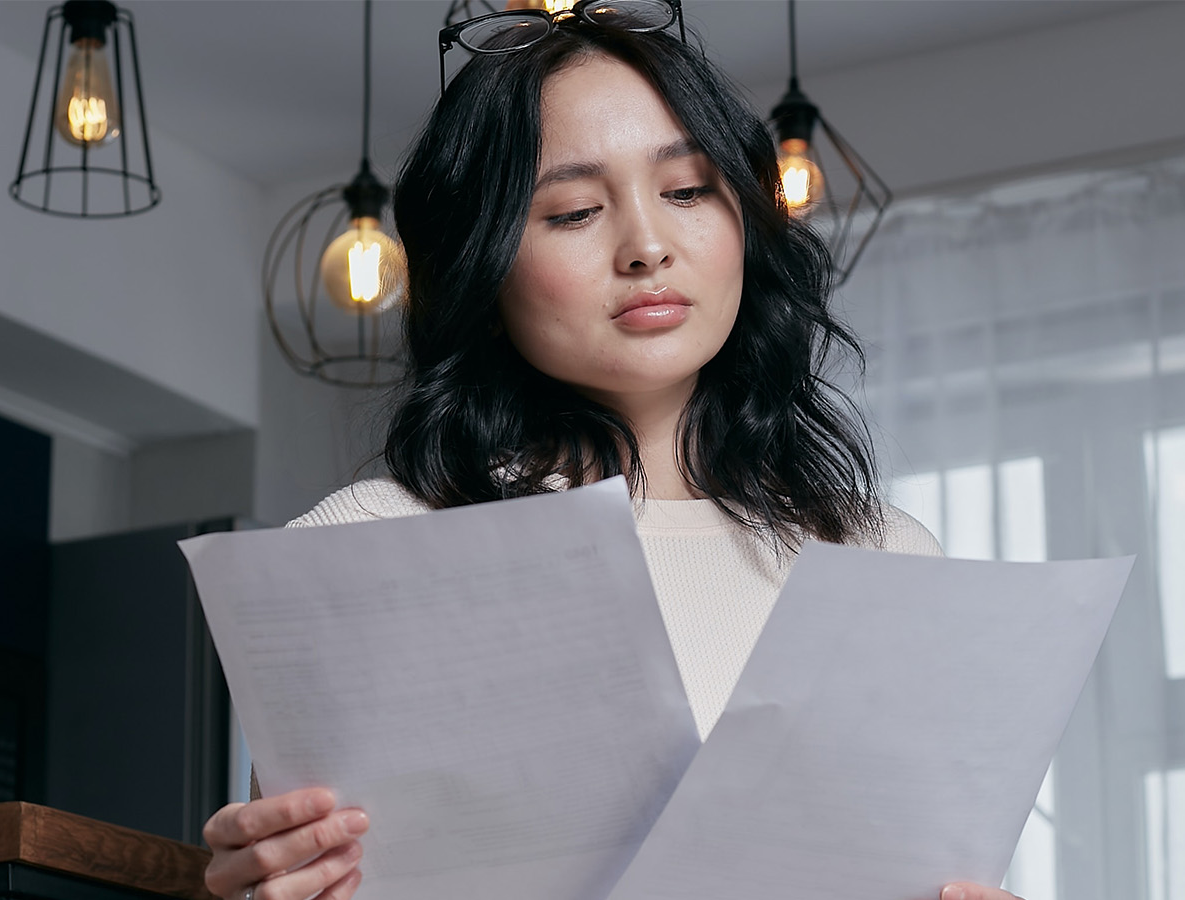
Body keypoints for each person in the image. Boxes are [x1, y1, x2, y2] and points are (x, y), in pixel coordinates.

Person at [202, 8, 1024, 900]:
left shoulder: (883, 556)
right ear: (482, 265)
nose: (647, 247)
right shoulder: (366, 549)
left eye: (687, 191)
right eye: (575, 211)